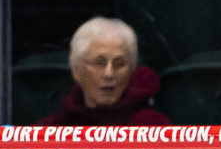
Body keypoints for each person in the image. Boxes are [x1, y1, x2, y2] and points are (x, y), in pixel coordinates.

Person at [40, 17, 169, 126]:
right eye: (99, 63)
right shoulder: (48, 132)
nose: (109, 74)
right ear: (76, 70)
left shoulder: (153, 129)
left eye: (120, 64)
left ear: (131, 71)